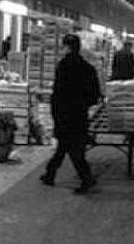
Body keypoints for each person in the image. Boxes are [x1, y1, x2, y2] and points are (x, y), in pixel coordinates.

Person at [40, 34, 100, 194]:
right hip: (79, 114)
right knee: (66, 146)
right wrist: (85, 105)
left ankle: (86, 178)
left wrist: (55, 113)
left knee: (73, 149)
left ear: (66, 47)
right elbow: (95, 94)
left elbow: (58, 93)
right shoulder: (88, 68)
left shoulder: (63, 66)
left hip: (65, 113)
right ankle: (49, 174)